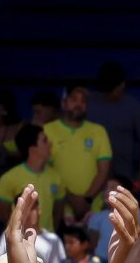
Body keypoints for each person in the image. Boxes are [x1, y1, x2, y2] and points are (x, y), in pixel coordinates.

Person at [87, 61, 140, 197]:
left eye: (111, 90)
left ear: (122, 85)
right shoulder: (89, 102)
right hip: (91, 175)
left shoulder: (134, 107)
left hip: (122, 177)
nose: (108, 94)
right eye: (105, 90)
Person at [48, 83, 117, 216]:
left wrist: (87, 199)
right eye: (73, 99)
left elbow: (104, 170)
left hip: (93, 209)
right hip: (59, 208)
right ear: (63, 103)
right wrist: (71, 199)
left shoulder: (98, 131)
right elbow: (47, 170)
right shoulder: (47, 131)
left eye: (83, 101)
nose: (78, 104)